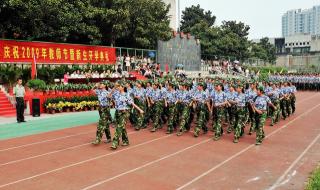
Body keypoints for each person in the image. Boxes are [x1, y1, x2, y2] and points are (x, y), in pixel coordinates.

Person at [110, 81, 144, 150]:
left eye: (119, 86)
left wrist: (140, 109)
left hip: (125, 112)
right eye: (118, 86)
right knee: (122, 127)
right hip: (118, 112)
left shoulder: (126, 95)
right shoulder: (116, 94)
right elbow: (108, 96)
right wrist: (114, 88)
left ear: (122, 87)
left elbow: (132, 103)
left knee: (119, 127)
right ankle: (126, 141)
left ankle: (115, 143)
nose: (118, 87)